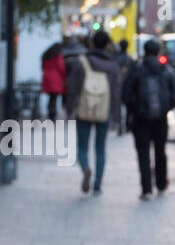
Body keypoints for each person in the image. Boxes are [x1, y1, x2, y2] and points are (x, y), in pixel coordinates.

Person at [64, 30, 122, 195]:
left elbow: (73, 88)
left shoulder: (81, 62)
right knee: (100, 148)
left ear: (91, 43)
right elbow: (117, 93)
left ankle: (85, 168)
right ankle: (97, 184)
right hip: (104, 111)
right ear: (107, 44)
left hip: (84, 109)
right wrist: (115, 117)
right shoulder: (113, 66)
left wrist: (69, 110)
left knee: (82, 146)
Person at [121, 38, 175, 199]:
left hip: (140, 119)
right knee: (160, 151)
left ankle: (146, 189)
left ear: (144, 52)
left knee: (143, 154)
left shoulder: (136, 70)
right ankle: (161, 184)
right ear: (157, 52)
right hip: (161, 118)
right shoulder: (167, 70)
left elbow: (125, 95)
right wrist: (165, 109)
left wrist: (135, 109)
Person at [115, 37, 136, 137]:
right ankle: (127, 125)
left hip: (117, 85)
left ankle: (119, 125)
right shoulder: (130, 59)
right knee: (128, 108)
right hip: (127, 86)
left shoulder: (115, 58)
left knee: (118, 107)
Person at [41, 41, 66, 119]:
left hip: (46, 77)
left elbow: (42, 67)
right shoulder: (58, 56)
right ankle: (52, 115)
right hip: (55, 78)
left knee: (51, 98)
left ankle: (50, 113)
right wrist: (64, 76)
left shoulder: (45, 55)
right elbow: (61, 67)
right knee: (54, 98)